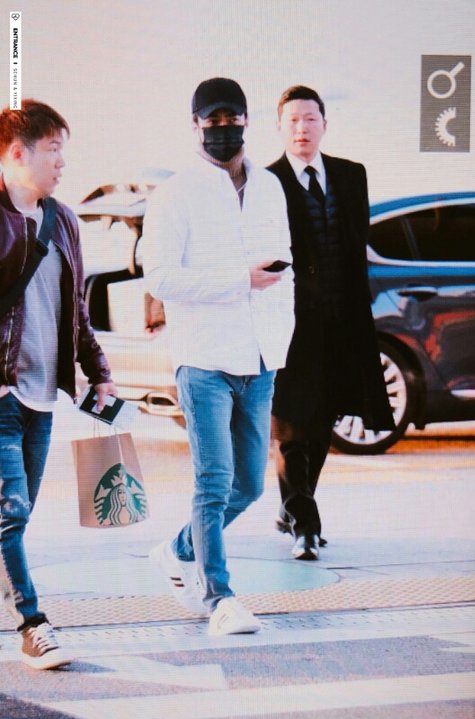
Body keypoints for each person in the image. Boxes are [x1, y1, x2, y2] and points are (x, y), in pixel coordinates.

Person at [143, 78, 294, 635]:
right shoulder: (175, 194)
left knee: (249, 486)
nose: (224, 129)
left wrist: (281, 335)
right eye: (213, 120)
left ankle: (178, 550)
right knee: (213, 482)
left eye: (233, 118)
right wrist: (238, 280)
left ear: (247, 121)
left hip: (261, 356)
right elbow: (159, 278)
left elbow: (283, 262)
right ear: (195, 125)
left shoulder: (270, 186)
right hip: (204, 356)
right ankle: (219, 599)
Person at [0, 100, 116, 668]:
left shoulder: (64, 220)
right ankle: (33, 624)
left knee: (14, 517)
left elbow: (76, 310)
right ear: (16, 154)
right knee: (10, 512)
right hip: (1, 392)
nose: (62, 163)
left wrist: (99, 372)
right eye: (52, 150)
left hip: (42, 396)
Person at [267, 85, 394, 560]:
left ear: (324, 124)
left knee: (323, 423)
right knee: (292, 427)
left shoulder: (350, 175)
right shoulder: (266, 182)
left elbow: (354, 247)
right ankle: (305, 524)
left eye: (310, 119)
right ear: (280, 127)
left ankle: (294, 509)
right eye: (293, 120)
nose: (302, 128)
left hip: (343, 323)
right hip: (290, 327)